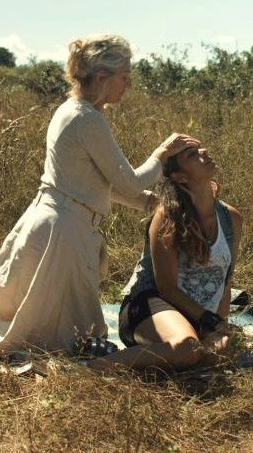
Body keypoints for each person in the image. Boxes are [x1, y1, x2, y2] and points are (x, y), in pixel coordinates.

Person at [0, 34, 199, 363]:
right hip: (62, 229)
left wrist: (154, 204)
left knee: (40, 318)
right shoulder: (85, 119)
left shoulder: (79, 113)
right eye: (125, 77)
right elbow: (127, 180)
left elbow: (104, 184)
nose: (129, 85)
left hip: (57, 222)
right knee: (46, 337)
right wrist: (162, 156)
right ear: (101, 79)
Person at [86, 143, 243, 373]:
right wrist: (209, 321)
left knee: (213, 358)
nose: (205, 153)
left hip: (201, 317)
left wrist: (220, 326)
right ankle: (93, 366)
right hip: (151, 307)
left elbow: (225, 280)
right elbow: (167, 288)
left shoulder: (232, 218)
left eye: (201, 149)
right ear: (181, 178)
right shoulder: (168, 217)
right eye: (192, 154)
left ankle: (141, 357)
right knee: (186, 348)